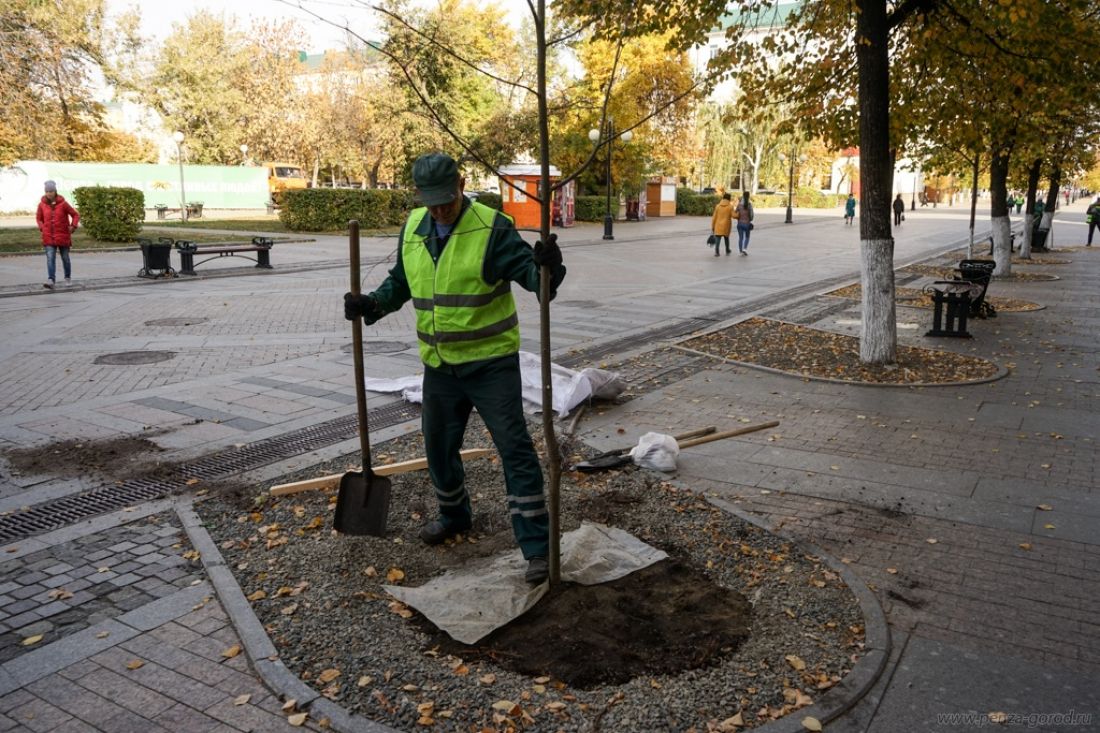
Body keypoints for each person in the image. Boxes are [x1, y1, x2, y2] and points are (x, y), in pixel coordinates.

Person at [342, 152, 565, 585]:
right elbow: (401, 283)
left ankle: (537, 548)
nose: (441, 209)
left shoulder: (491, 227)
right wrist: (372, 304)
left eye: (447, 199)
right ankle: (454, 515)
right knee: (437, 448)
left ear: (461, 184)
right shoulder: (413, 227)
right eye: (432, 202)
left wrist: (547, 266)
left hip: (491, 365)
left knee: (515, 450)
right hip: (440, 367)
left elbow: (533, 277)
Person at [36, 180, 79, 289]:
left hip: (63, 235)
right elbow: (39, 218)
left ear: (55, 191)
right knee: (50, 258)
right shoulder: (42, 205)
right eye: (47, 191)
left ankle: (67, 278)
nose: (49, 193)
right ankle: (51, 280)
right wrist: (42, 227)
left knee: (65, 258)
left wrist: (73, 226)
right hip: (48, 236)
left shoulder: (63, 204)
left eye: (51, 191)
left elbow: (75, 215)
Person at [710, 192, 733, 256]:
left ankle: (717, 252)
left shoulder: (717, 206)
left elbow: (714, 217)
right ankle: (727, 250)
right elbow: (734, 215)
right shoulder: (730, 207)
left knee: (718, 239)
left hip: (718, 225)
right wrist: (739, 215)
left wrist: (712, 226)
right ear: (729, 199)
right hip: (726, 225)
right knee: (726, 238)